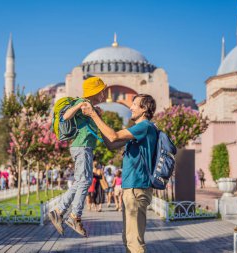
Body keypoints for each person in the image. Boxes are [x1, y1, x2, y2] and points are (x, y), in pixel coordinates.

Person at [82, 94, 158, 253]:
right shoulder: (136, 132)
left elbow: (114, 135)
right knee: (128, 239)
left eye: (134, 104)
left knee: (134, 242)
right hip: (131, 188)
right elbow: (111, 143)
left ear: (144, 109)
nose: (130, 107)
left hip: (137, 188)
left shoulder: (145, 126)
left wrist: (93, 115)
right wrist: (98, 120)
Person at [48, 76, 107, 237]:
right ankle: (74, 216)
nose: (104, 94)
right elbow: (65, 116)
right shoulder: (82, 102)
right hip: (81, 147)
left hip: (84, 147)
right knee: (85, 181)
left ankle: (58, 211)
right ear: (95, 91)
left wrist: (95, 113)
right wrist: (81, 104)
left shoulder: (91, 107)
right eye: (102, 91)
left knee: (82, 181)